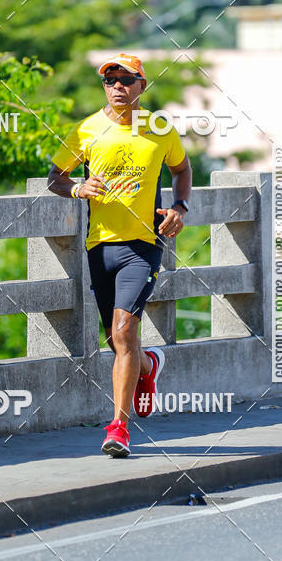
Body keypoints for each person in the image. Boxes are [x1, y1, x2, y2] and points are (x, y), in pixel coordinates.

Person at [47, 53, 192, 457]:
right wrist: (77, 187)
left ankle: (118, 429)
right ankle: (148, 367)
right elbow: (54, 177)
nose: (118, 87)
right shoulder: (86, 130)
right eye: (110, 81)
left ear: (142, 85)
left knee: (125, 331)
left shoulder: (159, 129)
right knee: (115, 338)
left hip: (143, 246)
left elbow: (182, 170)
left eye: (127, 80)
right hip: (100, 246)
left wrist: (180, 208)